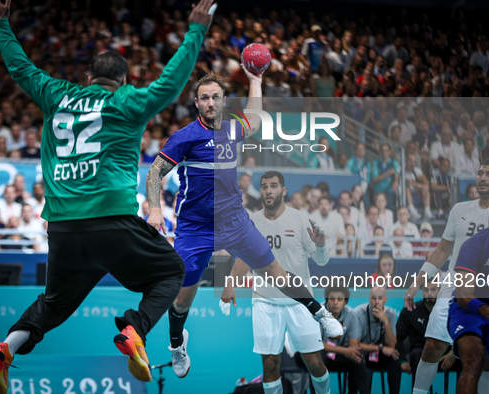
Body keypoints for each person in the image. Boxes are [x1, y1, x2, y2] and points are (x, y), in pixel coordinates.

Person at [0, 0, 215, 392]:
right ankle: (134, 331)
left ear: (89, 77)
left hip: (61, 227)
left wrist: (0, 23)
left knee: (53, 304)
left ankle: (6, 348)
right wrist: (195, 30)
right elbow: (171, 83)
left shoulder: (55, 94)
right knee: (172, 272)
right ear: (122, 82)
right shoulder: (126, 101)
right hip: (111, 223)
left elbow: (20, 68)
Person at [146, 73, 342, 377]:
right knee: (183, 297)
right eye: (205, 98)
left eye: (216, 97)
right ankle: (176, 344)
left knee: (276, 273)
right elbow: (155, 173)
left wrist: (255, 80)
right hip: (195, 227)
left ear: (224, 101)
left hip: (234, 220)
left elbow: (256, 117)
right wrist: (156, 210)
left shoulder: (233, 128)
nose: (211, 102)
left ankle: (319, 312)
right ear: (196, 103)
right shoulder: (184, 137)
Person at [220, 171, 332, 394]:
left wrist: (320, 245)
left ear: (283, 190)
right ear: (260, 191)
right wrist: (229, 284)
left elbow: (321, 261)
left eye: (273, 186)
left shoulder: (300, 219)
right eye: (264, 187)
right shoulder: (251, 221)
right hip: (266, 301)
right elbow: (244, 257)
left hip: (300, 302)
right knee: (270, 364)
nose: (268, 190)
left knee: (313, 361)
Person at [404, 160, 489, 394]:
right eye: (480, 173)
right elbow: (442, 250)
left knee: (485, 357)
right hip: (453, 288)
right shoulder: (460, 209)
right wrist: (417, 283)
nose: (482, 177)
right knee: (432, 346)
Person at [448, 197, 489, 393]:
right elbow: (463, 294)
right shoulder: (473, 245)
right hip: (469, 310)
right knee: (473, 359)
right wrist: (483, 308)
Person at [395, 281, 452, 389]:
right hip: (420, 353)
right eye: (426, 290)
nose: (429, 294)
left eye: (433, 290)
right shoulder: (411, 310)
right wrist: (402, 360)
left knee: (466, 356)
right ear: (422, 292)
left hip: (444, 356)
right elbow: (397, 337)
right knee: (416, 355)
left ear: (439, 291)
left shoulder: (448, 310)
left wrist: (452, 354)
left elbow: (459, 335)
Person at [321, 286, 370, 394]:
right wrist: (343, 350)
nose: (335, 302)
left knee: (357, 358)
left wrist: (348, 351)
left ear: (345, 302)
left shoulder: (351, 315)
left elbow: (353, 345)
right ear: (326, 300)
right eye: (332, 299)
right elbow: (316, 344)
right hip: (322, 354)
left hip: (338, 356)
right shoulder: (318, 313)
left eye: (339, 299)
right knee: (316, 357)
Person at [355, 286, 402, 394]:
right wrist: (380, 348)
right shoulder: (358, 313)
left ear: (385, 299)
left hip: (380, 355)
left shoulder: (390, 314)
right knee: (357, 359)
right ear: (369, 299)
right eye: (373, 298)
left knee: (395, 358)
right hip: (364, 353)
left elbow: (391, 345)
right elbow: (355, 344)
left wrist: (385, 320)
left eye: (380, 298)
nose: (376, 302)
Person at [371, 144, 400, 210]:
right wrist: (388, 173)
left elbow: (397, 177)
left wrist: (395, 184)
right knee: (377, 211)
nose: (384, 152)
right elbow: (375, 179)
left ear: (390, 152)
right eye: (383, 151)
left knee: (389, 211)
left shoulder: (395, 163)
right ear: (380, 152)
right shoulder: (376, 163)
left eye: (386, 150)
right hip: (378, 191)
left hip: (389, 191)